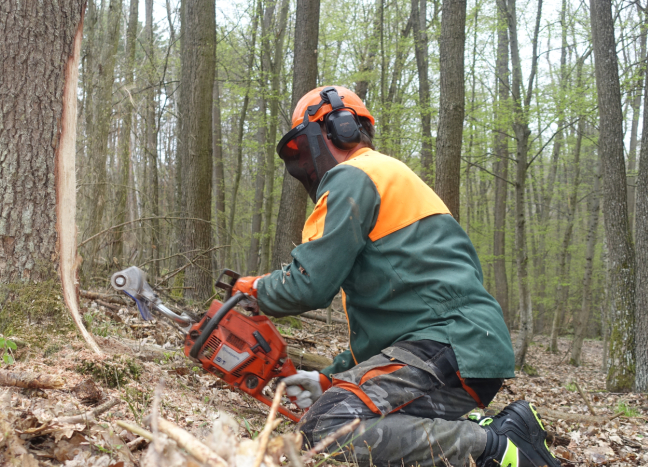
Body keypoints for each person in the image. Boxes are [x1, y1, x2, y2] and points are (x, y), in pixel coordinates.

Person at [231, 86, 560, 467]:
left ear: (341, 129)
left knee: (326, 427)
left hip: (447, 347)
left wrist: (255, 290)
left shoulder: (355, 176)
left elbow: (308, 284)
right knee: (335, 407)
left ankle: (496, 446)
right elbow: (385, 332)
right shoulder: (388, 180)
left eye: (306, 147)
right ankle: (478, 430)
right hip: (459, 347)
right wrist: (330, 378)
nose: (305, 163)